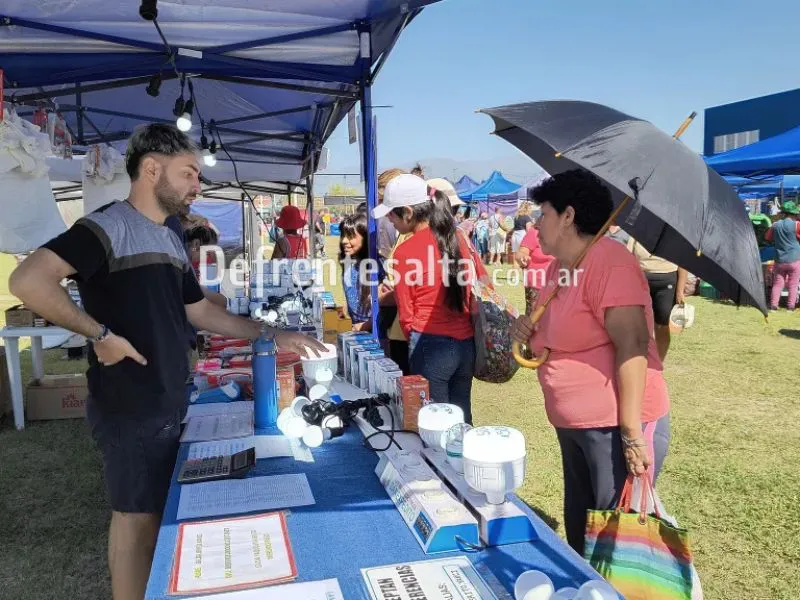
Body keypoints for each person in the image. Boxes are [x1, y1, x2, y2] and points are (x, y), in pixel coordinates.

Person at [7, 123, 325, 600]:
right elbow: (28, 280)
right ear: (151, 168)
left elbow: (196, 310)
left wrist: (275, 334)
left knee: (156, 513)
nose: (197, 185)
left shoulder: (170, 238)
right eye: (188, 174)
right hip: (130, 401)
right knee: (135, 519)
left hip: (171, 395)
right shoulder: (106, 225)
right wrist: (101, 335)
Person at [510, 170, 670, 556]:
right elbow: (551, 344)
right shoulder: (557, 268)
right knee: (583, 531)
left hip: (614, 426)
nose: (534, 223)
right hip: (576, 425)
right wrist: (528, 332)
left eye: (542, 213)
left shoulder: (609, 261)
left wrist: (631, 433)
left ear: (567, 216)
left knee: (616, 542)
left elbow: (631, 345)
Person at [376, 174, 487, 423]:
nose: (389, 220)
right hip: (465, 346)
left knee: (435, 425)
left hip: (430, 345)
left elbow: (406, 313)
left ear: (407, 212)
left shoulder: (406, 250)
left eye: (391, 214)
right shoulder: (459, 238)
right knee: (462, 420)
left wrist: (414, 339)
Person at [626, 238, 687, 361]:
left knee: (662, 325)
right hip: (641, 278)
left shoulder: (674, 234)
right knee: (639, 324)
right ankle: (639, 360)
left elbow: (683, 262)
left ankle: (659, 363)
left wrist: (680, 291)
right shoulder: (640, 228)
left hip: (667, 281)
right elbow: (627, 255)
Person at [339, 212, 381, 331]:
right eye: (343, 235)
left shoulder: (377, 267)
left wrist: (365, 326)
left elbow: (387, 309)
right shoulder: (348, 261)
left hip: (372, 333)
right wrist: (346, 306)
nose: (344, 241)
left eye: (350, 236)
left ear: (365, 238)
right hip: (354, 327)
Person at [765, 200, 800, 310]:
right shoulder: (797, 224)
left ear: (783, 213)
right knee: (793, 284)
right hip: (794, 259)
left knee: (778, 283)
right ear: (794, 214)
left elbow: (767, 238)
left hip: (779, 259)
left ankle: (774, 305)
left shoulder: (775, 225)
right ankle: (790, 306)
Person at [516, 216, 554, 316]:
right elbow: (521, 252)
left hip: (558, 286)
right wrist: (523, 257)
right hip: (536, 285)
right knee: (533, 320)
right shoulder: (534, 232)